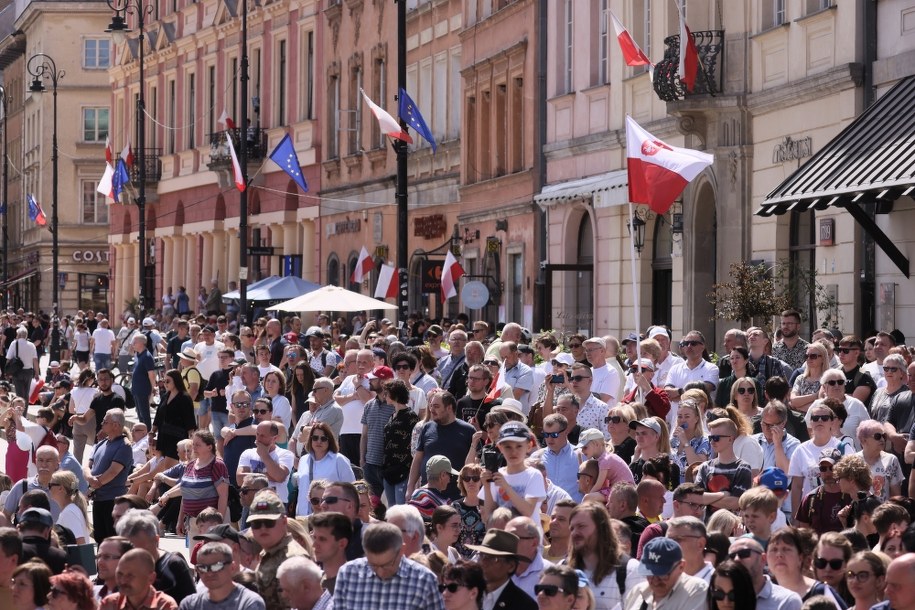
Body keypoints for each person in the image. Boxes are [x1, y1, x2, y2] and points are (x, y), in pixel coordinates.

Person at [334, 521, 446, 610]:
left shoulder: (425, 580)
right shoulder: (348, 574)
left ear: (402, 549)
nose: (380, 572)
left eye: (387, 564)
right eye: (373, 565)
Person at [568, 502, 641, 610]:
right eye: (572, 528)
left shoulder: (630, 570)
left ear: (601, 529)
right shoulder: (565, 568)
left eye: (581, 526)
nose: (575, 533)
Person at [115, 509, 196, 603]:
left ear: (156, 540)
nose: (137, 554)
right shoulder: (120, 567)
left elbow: (190, 603)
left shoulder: (173, 565)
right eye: (129, 550)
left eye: (142, 549)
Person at [408, 390, 476, 500]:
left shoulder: (468, 430)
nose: (431, 410)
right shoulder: (427, 427)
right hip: (427, 495)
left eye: (436, 406)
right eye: (430, 406)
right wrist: (410, 487)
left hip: (456, 496)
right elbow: (418, 459)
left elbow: (474, 464)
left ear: (449, 408)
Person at [249, 490, 309, 609]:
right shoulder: (267, 552)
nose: (262, 528)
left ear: (284, 522)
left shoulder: (294, 559)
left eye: (269, 522)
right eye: (256, 523)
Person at [481, 422, 546, 523]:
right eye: (508, 447)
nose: (513, 452)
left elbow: (527, 511)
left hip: (527, 536)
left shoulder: (534, 475)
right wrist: (486, 486)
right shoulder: (496, 475)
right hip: (502, 536)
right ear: (500, 447)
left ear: (529, 446)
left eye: (519, 446)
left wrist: (506, 486)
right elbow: (488, 517)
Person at [764, 527, 846, 607]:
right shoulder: (762, 594)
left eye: (786, 549)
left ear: (800, 558)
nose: (779, 555)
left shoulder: (821, 592)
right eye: (774, 549)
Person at [85, 409, 133, 542]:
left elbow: (112, 472)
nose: (102, 424)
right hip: (99, 499)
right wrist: (90, 478)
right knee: (100, 538)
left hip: (112, 501)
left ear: (116, 425)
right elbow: (87, 466)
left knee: (112, 539)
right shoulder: (101, 443)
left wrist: (93, 485)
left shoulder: (124, 446)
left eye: (105, 422)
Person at [622, 537, 708, 610]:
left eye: (662, 574)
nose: (655, 581)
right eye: (649, 574)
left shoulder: (696, 590)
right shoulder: (637, 592)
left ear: (681, 566)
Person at [462, 529, 537, 610]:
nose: (483, 561)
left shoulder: (524, 605)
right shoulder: (467, 593)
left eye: (493, 558)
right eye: (481, 555)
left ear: (511, 566)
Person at [179, 541, 265, 609]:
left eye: (216, 566)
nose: (209, 573)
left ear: (232, 567)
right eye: (202, 568)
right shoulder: (189, 604)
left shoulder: (250, 602)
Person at [294, 421, 354, 516]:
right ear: (310, 440)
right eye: (315, 438)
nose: (319, 441)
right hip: (304, 517)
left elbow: (351, 490)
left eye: (323, 438)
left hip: (330, 516)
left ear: (329, 440)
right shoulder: (303, 460)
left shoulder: (339, 460)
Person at [176, 431, 229, 538]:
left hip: (211, 522)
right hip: (192, 522)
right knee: (194, 554)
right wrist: (180, 520)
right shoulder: (190, 465)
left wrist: (217, 524)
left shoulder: (217, 464)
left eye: (198, 445)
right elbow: (185, 495)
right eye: (193, 444)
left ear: (209, 447)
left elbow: (223, 496)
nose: (194, 447)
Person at [727, 537, 802, 610]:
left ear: (763, 559)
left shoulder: (786, 601)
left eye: (744, 553)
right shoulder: (721, 598)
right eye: (731, 556)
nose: (736, 559)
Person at [236, 421, 295, 506]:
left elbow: (279, 477)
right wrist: (270, 476)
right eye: (257, 434)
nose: (258, 439)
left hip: (275, 504)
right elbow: (239, 479)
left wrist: (264, 455)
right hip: (252, 503)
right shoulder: (247, 453)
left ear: (274, 438)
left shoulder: (285, 454)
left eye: (263, 436)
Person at [98, 548, 178, 610]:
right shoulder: (109, 604)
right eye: (120, 574)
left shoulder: (165, 606)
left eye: (130, 576)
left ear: (151, 578)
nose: (123, 581)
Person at [308, 511, 351, 594]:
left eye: (322, 539)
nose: (314, 545)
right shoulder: (314, 582)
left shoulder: (352, 585)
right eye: (314, 538)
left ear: (342, 543)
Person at [48, 471, 90, 544]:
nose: (48, 488)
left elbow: (80, 543)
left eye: (50, 485)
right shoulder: (70, 510)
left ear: (61, 488)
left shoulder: (69, 512)